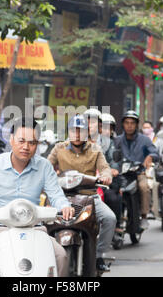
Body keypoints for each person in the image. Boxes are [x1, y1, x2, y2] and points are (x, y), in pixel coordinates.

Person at [0, 117, 74, 277]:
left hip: (35, 228)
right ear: (11, 139)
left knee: (60, 256)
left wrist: (64, 206)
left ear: (37, 144)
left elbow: (56, 195)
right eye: (21, 141)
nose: (26, 147)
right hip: (0, 229)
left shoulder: (44, 166)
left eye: (32, 143)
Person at [47, 114, 116, 272]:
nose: (77, 135)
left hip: (89, 198)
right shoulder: (59, 148)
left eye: (81, 131)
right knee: (43, 222)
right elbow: (47, 166)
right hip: (62, 197)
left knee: (110, 218)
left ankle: (98, 256)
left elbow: (105, 168)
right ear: (68, 132)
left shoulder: (95, 150)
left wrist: (106, 176)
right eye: (73, 131)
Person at [114, 110, 159, 230]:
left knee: (144, 187)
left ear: (136, 125)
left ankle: (144, 216)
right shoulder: (117, 140)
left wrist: (150, 157)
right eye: (127, 123)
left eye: (132, 123)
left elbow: (154, 152)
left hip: (139, 173)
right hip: (121, 174)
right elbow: (111, 155)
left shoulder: (144, 140)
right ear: (123, 124)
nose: (129, 125)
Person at [100, 113, 122, 234]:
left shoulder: (114, 143)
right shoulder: (88, 141)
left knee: (113, 197)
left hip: (106, 180)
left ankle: (116, 224)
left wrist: (111, 170)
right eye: (103, 127)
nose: (105, 131)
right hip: (88, 180)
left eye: (109, 128)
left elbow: (114, 161)